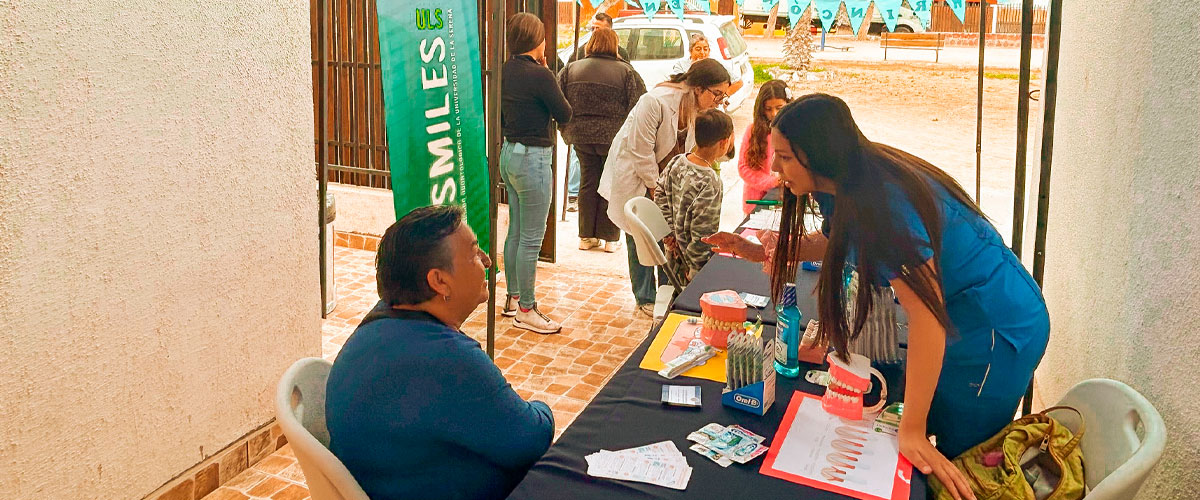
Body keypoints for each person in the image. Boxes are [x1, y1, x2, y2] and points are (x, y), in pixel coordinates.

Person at [705, 94, 1049, 500]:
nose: (775, 168)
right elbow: (834, 240)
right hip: (966, 316)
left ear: (818, 155)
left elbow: (927, 318)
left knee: (954, 467)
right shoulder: (846, 181)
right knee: (922, 433)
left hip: (996, 332)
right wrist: (763, 249)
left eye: (783, 157)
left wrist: (914, 430)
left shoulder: (884, 205)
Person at [326, 205, 554, 500]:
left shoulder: (381, 322)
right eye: (473, 254)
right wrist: (543, 407)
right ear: (440, 281)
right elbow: (531, 438)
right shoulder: (447, 359)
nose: (486, 261)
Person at [599, 58, 734, 317]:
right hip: (638, 174)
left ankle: (668, 290)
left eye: (723, 95)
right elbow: (640, 151)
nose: (719, 100)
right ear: (699, 88)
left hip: (665, 176)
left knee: (668, 237)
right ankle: (645, 296)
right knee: (641, 235)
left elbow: (692, 151)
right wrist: (655, 187)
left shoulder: (696, 108)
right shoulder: (655, 101)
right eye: (717, 94)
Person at [500, 13, 572, 334]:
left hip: (509, 154)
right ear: (536, 40)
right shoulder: (540, 75)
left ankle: (512, 298)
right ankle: (527, 310)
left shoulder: (506, 70)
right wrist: (546, 71)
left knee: (515, 229)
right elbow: (565, 113)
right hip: (533, 159)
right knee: (531, 239)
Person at [560, 27, 647, 253]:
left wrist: (566, 129)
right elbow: (639, 105)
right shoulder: (626, 72)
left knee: (588, 182)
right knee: (611, 184)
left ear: (590, 44)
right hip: (613, 137)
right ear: (615, 45)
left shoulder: (571, 69)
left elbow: (558, 101)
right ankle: (610, 238)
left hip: (581, 135)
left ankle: (586, 236)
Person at [654, 109, 735, 284]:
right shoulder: (711, 182)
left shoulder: (677, 161)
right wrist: (696, 269)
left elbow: (659, 195)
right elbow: (703, 232)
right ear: (724, 142)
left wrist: (669, 233)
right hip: (691, 267)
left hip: (673, 253)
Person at [738, 79, 790, 214]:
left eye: (779, 108)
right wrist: (772, 182)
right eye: (768, 109)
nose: (774, 114)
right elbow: (744, 168)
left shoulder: (797, 131)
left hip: (788, 201)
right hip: (756, 204)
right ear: (761, 109)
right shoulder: (753, 131)